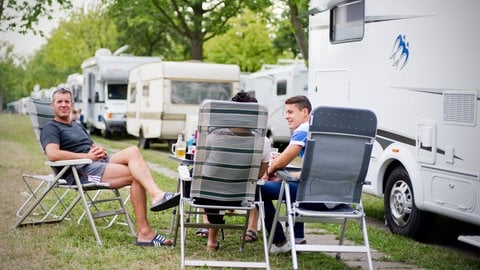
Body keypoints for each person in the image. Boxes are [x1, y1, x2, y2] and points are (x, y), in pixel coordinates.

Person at [40, 87, 180, 247]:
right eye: (59, 102)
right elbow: (53, 154)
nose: (63, 105)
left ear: (72, 104)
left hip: (97, 161)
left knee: (133, 151)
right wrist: (88, 156)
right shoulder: (51, 128)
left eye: (67, 101)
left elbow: (89, 144)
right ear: (53, 105)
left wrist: (97, 149)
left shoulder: (76, 126)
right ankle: (145, 232)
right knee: (136, 176)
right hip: (80, 170)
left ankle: (157, 195)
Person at [201, 92, 271, 251]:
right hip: (241, 197)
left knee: (207, 180)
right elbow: (259, 175)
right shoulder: (263, 142)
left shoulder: (213, 135)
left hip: (208, 196)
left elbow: (202, 163)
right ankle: (246, 228)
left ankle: (211, 240)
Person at [261, 95, 312, 254]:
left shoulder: (304, 130)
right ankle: (299, 240)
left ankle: (280, 242)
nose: (286, 116)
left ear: (305, 112)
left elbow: (280, 162)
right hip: (339, 199)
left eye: (290, 112)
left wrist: (268, 172)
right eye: (285, 112)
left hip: (311, 196)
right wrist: (289, 176)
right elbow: (317, 172)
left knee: (259, 189)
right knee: (292, 184)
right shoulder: (326, 131)